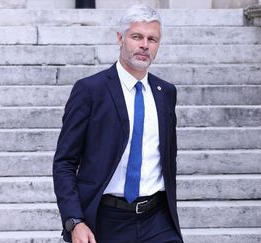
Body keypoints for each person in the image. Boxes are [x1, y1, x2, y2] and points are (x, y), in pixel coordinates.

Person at [52, 5, 183, 243]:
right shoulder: (90, 90)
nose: (145, 44)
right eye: (137, 36)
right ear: (120, 38)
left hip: (157, 220)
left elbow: (168, 157)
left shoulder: (166, 93)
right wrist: (74, 221)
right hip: (106, 220)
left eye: (152, 39)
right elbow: (65, 162)